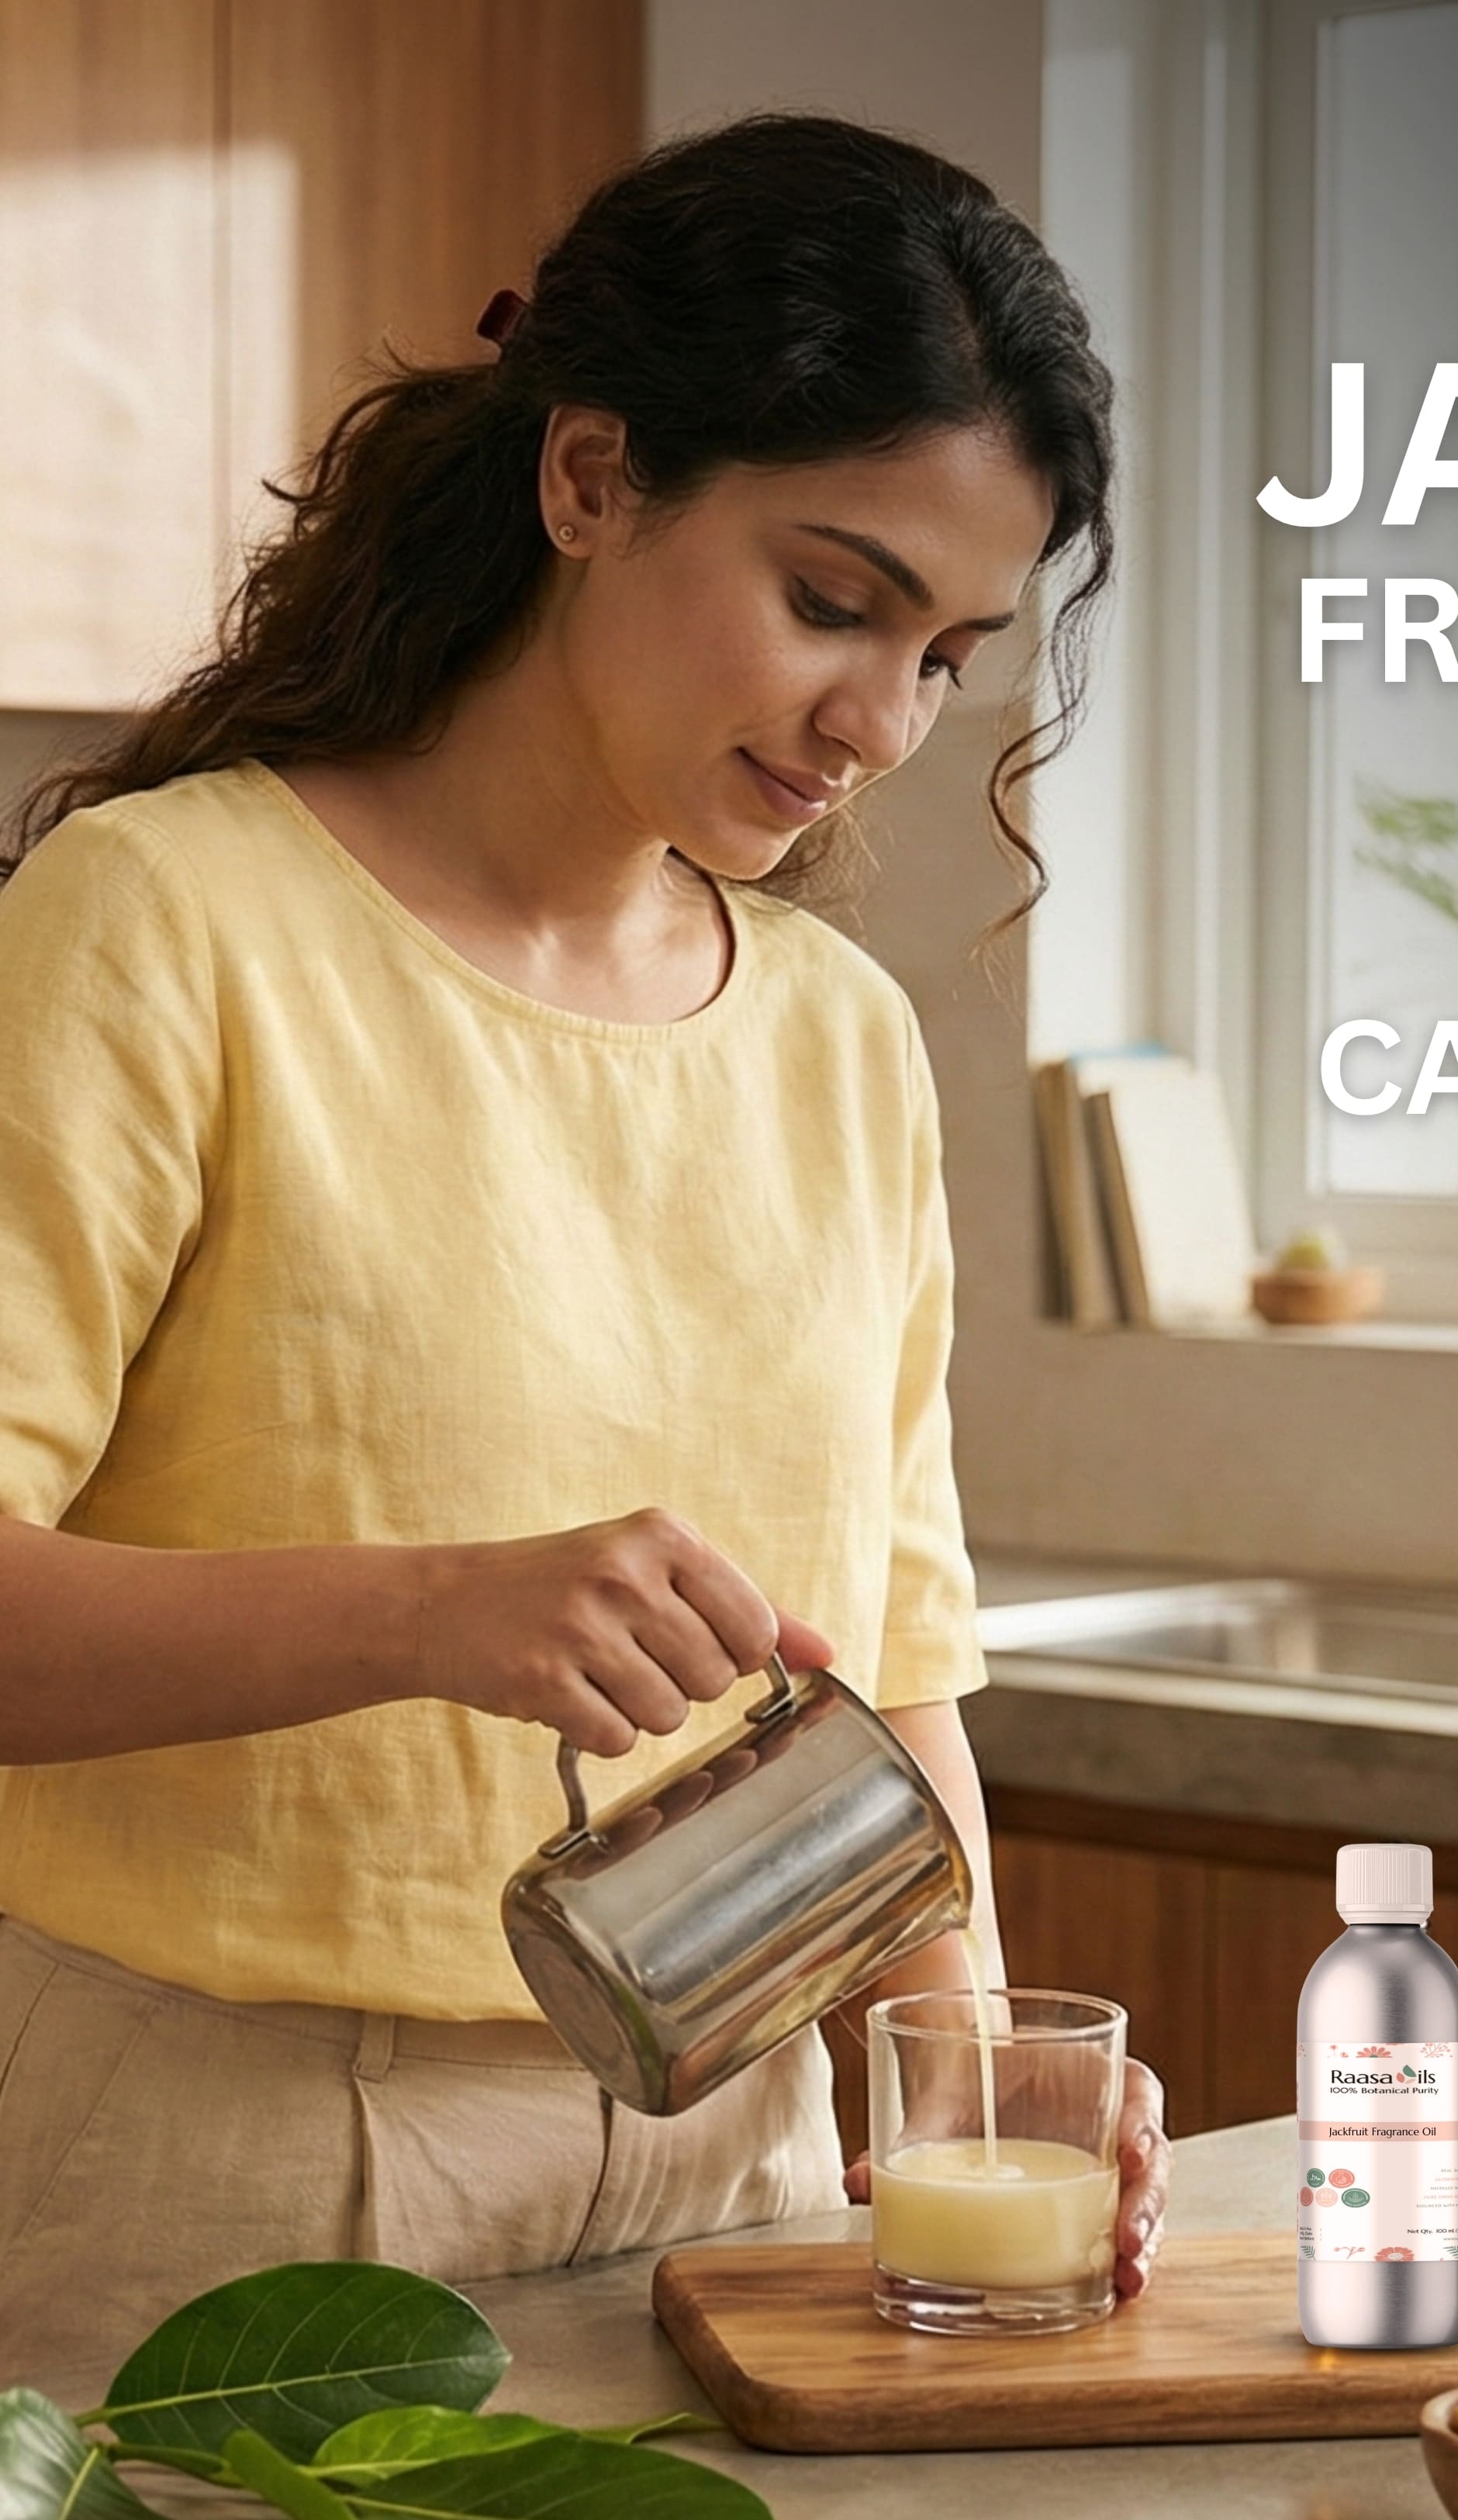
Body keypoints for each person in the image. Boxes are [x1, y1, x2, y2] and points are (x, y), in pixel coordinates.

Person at [0, 112, 1168, 2373]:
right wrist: (439, 1608)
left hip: (748, 2149)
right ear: (591, 477)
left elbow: (898, 1650)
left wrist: (979, 2065)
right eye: (833, 599)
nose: (881, 722)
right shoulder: (160, 930)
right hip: (231, 2165)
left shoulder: (834, 1035)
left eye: (946, 652)